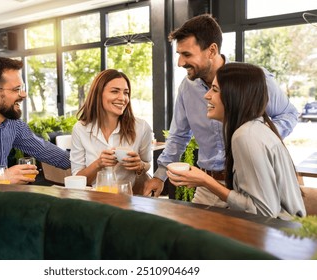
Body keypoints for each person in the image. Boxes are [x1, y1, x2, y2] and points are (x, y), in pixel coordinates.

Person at [144, 14, 299, 206]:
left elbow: (289, 114)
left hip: (250, 182)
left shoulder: (253, 80)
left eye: (187, 55)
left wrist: (257, 138)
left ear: (211, 50)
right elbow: (178, 136)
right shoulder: (187, 87)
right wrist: (160, 176)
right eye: (179, 55)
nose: (180, 63)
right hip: (207, 185)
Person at [167, 62, 306, 219]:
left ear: (234, 96)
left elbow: (263, 212)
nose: (207, 95)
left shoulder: (245, 137)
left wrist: (206, 181)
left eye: (215, 89)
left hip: (277, 237)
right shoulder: (255, 129)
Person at [70, 69, 152, 187]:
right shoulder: (80, 129)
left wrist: (140, 166)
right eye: (115, 91)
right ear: (98, 94)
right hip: (95, 200)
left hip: (128, 199)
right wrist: (98, 164)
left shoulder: (142, 127)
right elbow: (77, 179)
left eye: (126, 93)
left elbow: (147, 163)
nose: (122, 98)